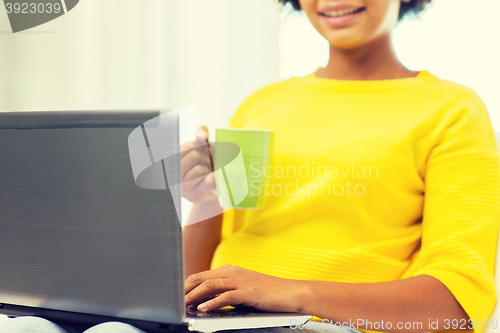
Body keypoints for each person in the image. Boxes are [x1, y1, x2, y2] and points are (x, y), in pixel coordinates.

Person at [3, 0, 499, 332]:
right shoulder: (262, 105)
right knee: (35, 325)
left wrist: (287, 293)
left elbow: (455, 307)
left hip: (328, 325)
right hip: (223, 319)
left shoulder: (452, 109)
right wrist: (203, 201)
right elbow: (201, 274)